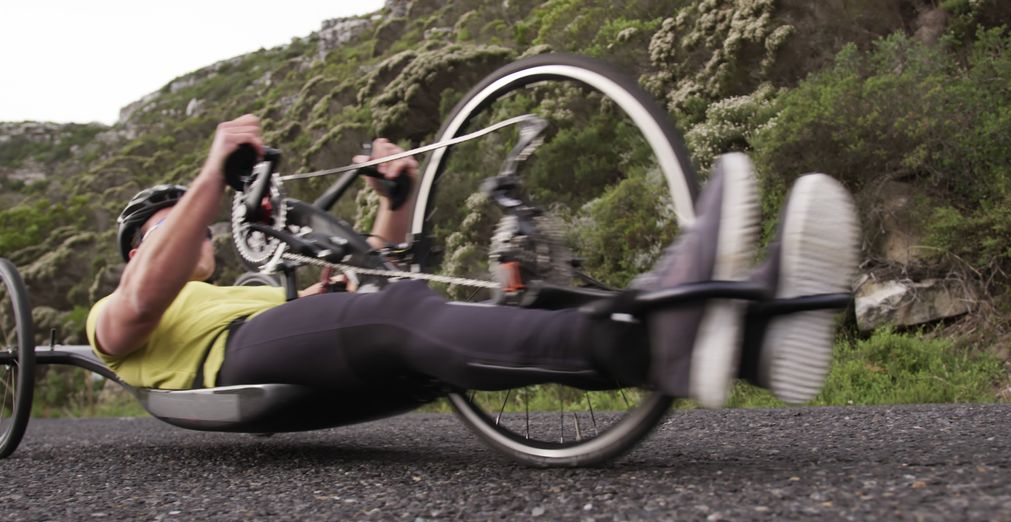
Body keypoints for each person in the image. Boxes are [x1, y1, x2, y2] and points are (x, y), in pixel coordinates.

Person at [86, 115, 859, 408]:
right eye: (162, 230)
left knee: (491, 311)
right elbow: (139, 306)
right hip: (233, 367)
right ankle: (667, 335)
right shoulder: (114, 316)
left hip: (302, 351)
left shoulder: (256, 291)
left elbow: (379, 277)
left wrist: (394, 199)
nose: (188, 235)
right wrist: (209, 178)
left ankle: (756, 326)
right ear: (136, 249)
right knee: (391, 317)